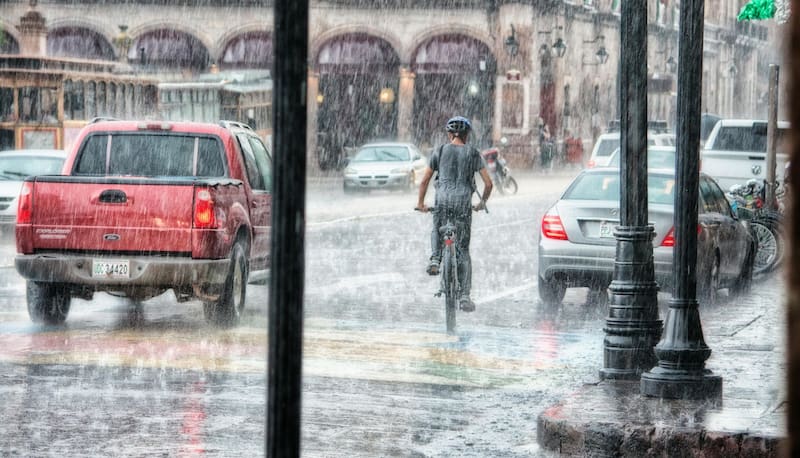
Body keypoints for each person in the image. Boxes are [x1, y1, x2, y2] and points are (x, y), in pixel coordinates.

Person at [415, 116, 493, 312]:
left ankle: (435, 258)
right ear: (467, 135)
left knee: (437, 228)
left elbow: (424, 181)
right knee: (463, 251)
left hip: (442, 201)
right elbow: (489, 183)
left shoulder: (440, 151)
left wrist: (420, 203)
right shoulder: (473, 153)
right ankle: (465, 295)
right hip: (463, 205)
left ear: (449, 134)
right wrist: (482, 202)